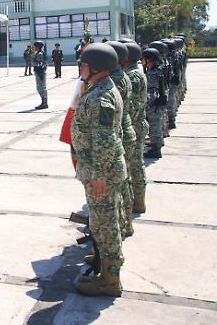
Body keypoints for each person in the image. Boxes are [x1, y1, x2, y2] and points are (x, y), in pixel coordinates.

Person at [71, 42, 126, 297]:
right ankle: (107, 264)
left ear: (94, 67)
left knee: (105, 225)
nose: (80, 68)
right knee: (103, 222)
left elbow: (105, 141)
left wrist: (99, 177)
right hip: (100, 169)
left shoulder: (101, 97)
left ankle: (110, 280)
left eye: (82, 64)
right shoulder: (100, 89)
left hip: (101, 172)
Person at [105, 41, 137, 238]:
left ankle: (122, 224)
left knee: (118, 187)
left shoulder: (114, 80)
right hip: (126, 129)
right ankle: (127, 221)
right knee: (124, 182)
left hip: (119, 134)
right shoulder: (123, 76)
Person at [123, 42, 148, 214]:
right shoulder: (134, 73)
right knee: (136, 165)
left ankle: (137, 201)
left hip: (133, 125)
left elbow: (130, 106)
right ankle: (138, 201)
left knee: (134, 166)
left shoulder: (132, 76)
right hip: (138, 123)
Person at [143, 48, 165, 159]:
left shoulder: (152, 73)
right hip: (159, 102)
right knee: (157, 124)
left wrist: (147, 105)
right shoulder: (158, 69)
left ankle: (156, 150)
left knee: (154, 126)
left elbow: (151, 92)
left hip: (154, 104)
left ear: (149, 60)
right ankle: (157, 144)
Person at [33, 41, 48, 109]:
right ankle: (44, 102)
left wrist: (34, 62)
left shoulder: (39, 54)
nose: (34, 47)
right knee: (40, 87)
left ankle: (44, 103)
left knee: (41, 87)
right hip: (39, 71)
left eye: (35, 46)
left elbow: (41, 64)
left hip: (40, 72)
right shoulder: (38, 53)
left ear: (38, 47)